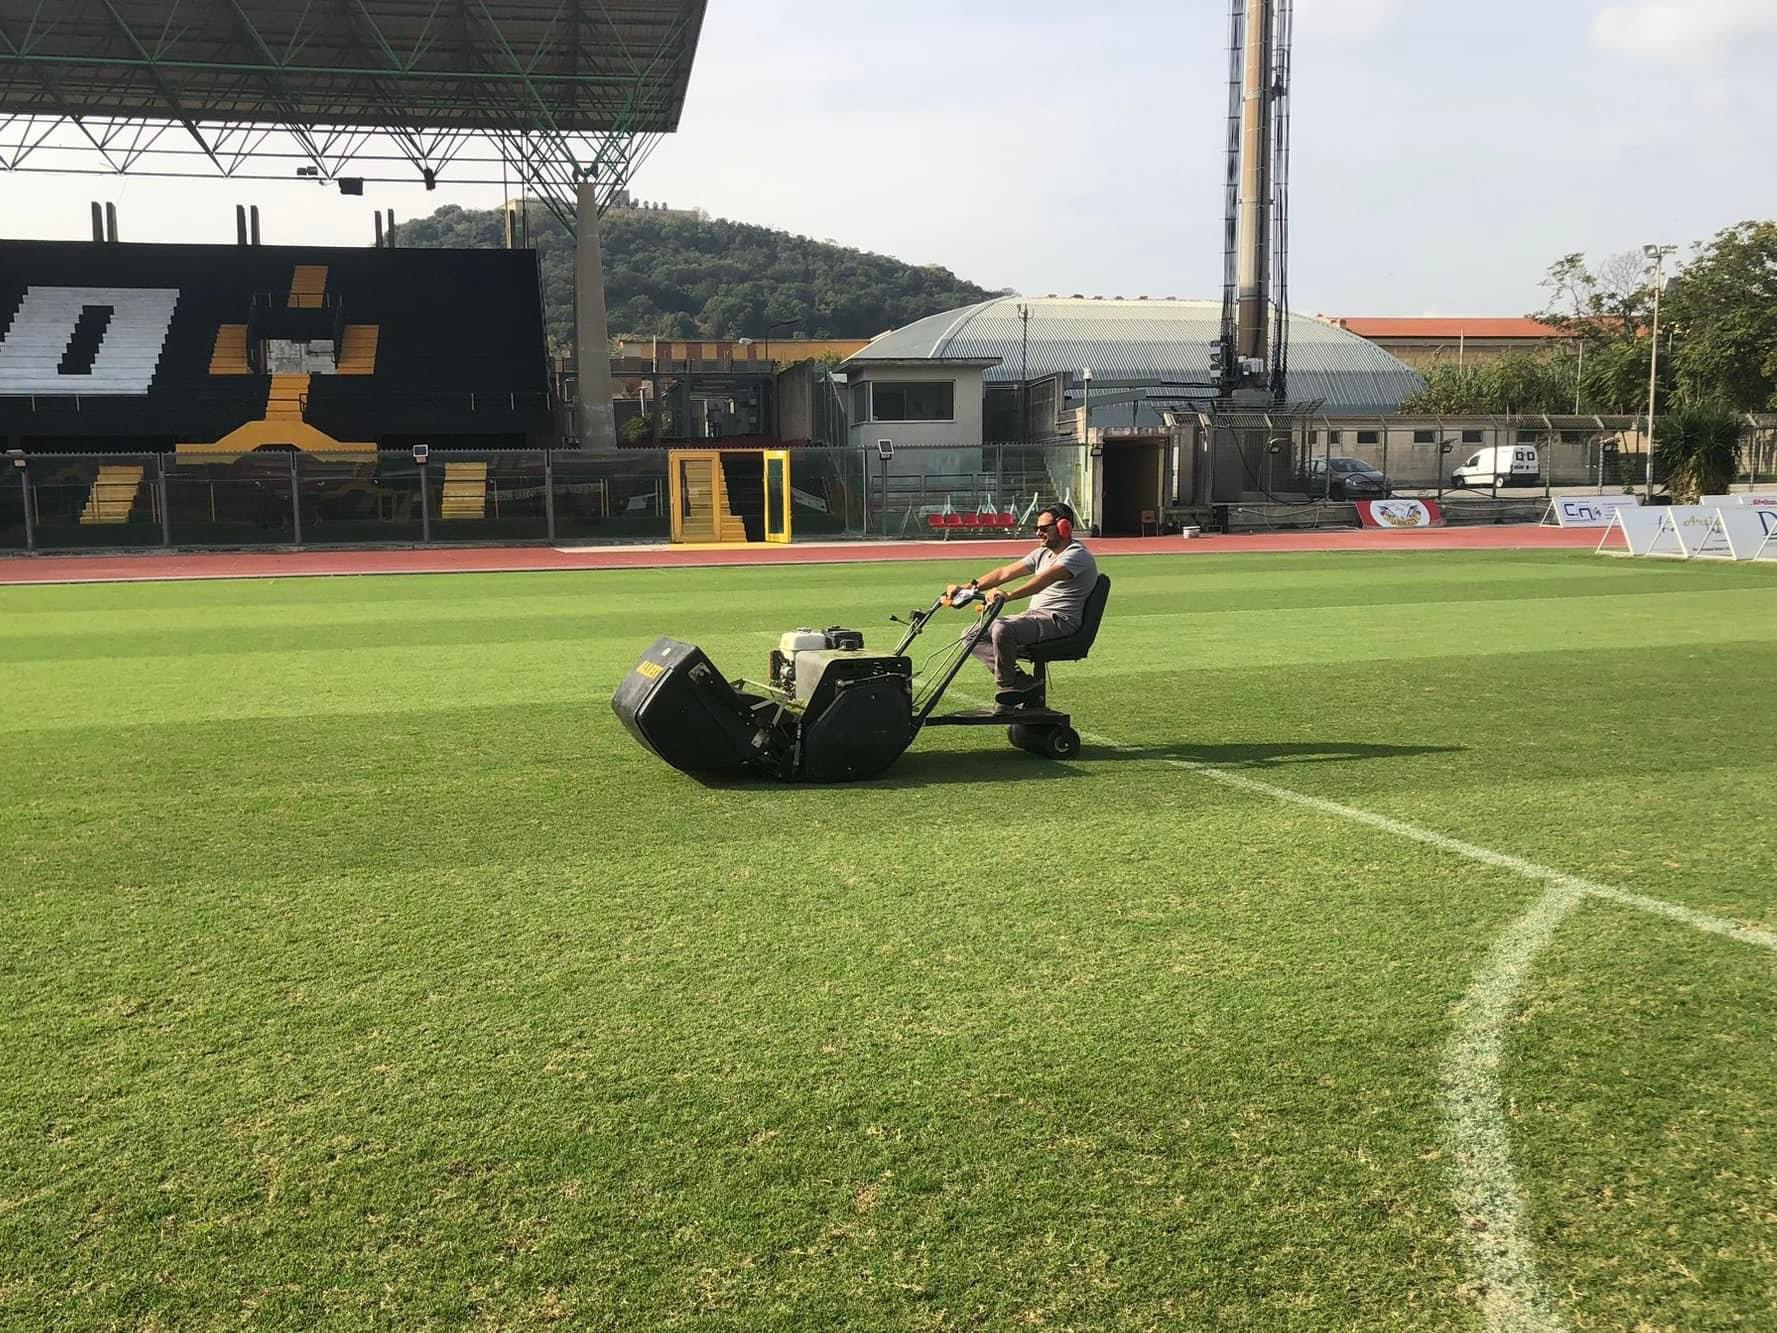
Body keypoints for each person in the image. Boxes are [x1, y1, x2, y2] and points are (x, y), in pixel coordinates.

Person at [945, 502, 1098, 707]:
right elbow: (1004, 573)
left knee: (1003, 628)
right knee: (971, 635)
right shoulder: (1042, 553)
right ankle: (1019, 680)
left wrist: (1008, 595)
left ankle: (1007, 687)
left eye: (1044, 528)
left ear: (1064, 528)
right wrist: (968, 588)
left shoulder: (1077, 555)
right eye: (1036, 528)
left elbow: (1042, 581)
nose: (1038, 533)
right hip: (1035, 616)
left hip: (1059, 621)